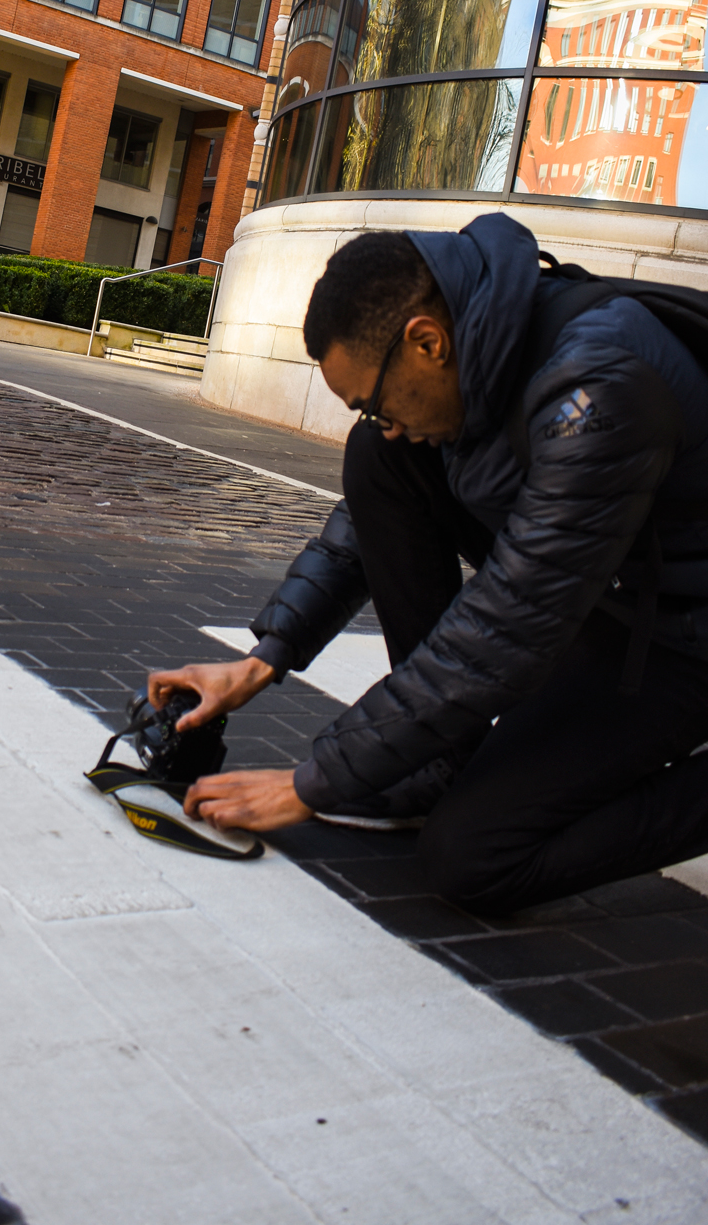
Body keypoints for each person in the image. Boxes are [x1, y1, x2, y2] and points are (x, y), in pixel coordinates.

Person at [149, 214, 708, 915]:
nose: (383, 420)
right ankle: (438, 755)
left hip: (683, 643)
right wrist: (262, 659)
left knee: (473, 859)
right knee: (380, 460)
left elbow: (509, 626)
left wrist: (311, 782)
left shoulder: (598, 389)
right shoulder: (479, 353)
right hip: (607, 592)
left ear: (426, 341)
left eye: (376, 403)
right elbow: (361, 531)